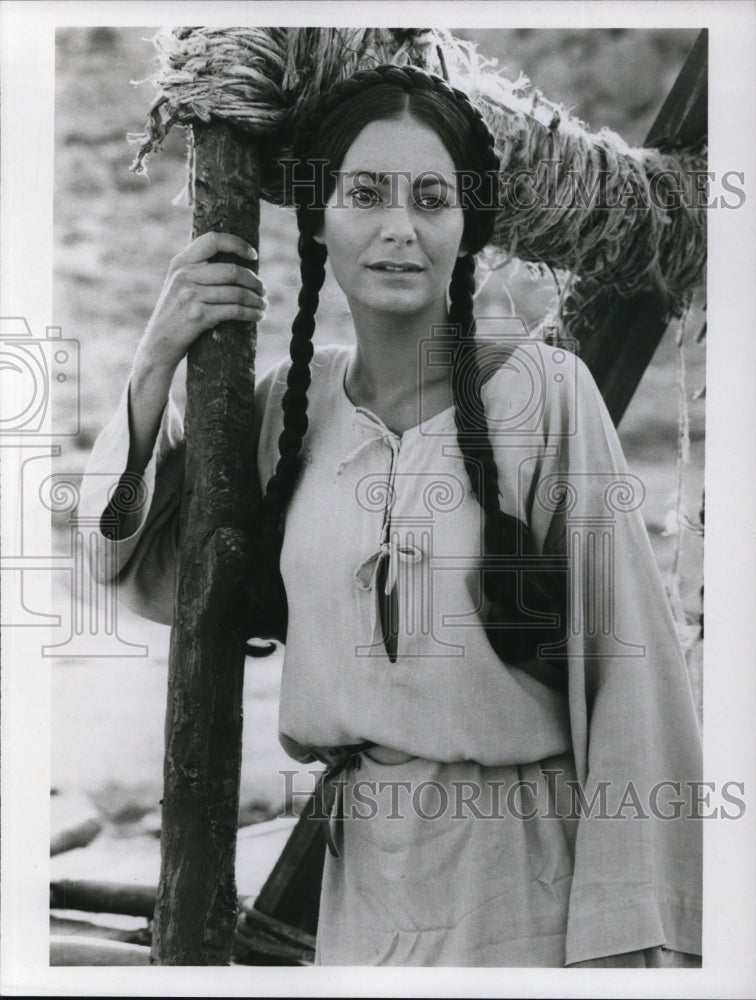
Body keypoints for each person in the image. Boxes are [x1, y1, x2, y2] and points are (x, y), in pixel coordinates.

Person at [81, 64, 703, 967]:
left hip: (529, 885)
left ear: (467, 227)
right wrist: (153, 366)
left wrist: (638, 940)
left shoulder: (547, 397)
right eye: (365, 194)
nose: (399, 229)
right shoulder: (282, 415)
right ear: (320, 221)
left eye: (433, 198)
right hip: (363, 888)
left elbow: (634, 684)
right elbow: (126, 560)